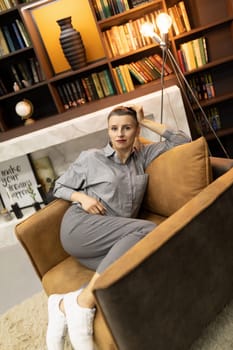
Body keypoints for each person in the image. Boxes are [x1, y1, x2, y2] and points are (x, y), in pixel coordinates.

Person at [46, 105, 190, 350]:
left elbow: (181, 140)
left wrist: (145, 121)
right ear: (108, 132)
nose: (120, 133)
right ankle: (83, 304)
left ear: (135, 131)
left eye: (127, 127)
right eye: (114, 128)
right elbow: (58, 187)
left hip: (110, 242)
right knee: (148, 231)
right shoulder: (92, 158)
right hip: (81, 227)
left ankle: (62, 304)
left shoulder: (142, 156)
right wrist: (82, 198)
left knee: (130, 268)